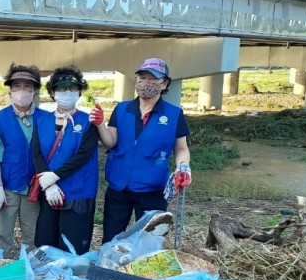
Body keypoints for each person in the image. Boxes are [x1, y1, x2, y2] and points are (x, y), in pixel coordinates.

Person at [97, 57, 191, 244]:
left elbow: (181, 148)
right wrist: (100, 124)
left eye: (152, 79)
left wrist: (183, 167)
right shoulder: (122, 109)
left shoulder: (174, 114)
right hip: (119, 186)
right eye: (142, 77)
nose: (145, 83)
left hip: (153, 189)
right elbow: (110, 142)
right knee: (111, 239)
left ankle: (143, 273)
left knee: (150, 242)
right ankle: (108, 271)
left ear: (164, 84)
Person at [30, 66, 101, 254]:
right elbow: (37, 153)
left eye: (72, 88)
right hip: (50, 191)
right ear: (53, 92)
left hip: (78, 191)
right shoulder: (42, 120)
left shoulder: (88, 121)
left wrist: (54, 176)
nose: (67, 93)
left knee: (73, 246)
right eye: (61, 88)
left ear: (79, 92)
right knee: (46, 243)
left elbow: (84, 155)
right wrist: (49, 184)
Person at [0, 64, 42, 256]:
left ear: (35, 91)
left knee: (33, 234)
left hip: (34, 188)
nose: (22, 91)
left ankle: (32, 274)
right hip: (8, 187)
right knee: (1, 234)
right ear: (10, 90)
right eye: (17, 86)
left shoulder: (45, 118)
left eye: (27, 86)